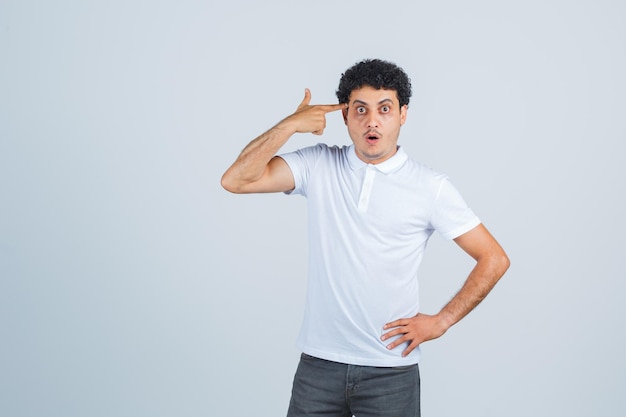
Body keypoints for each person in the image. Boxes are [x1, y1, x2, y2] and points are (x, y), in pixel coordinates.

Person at [221, 58, 510, 417]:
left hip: (390, 372)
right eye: (360, 110)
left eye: (384, 109)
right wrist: (290, 125)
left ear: (403, 115)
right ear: (344, 117)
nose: (372, 121)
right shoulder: (318, 166)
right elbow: (236, 180)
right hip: (319, 367)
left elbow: (494, 258)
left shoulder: (430, 187)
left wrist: (441, 321)